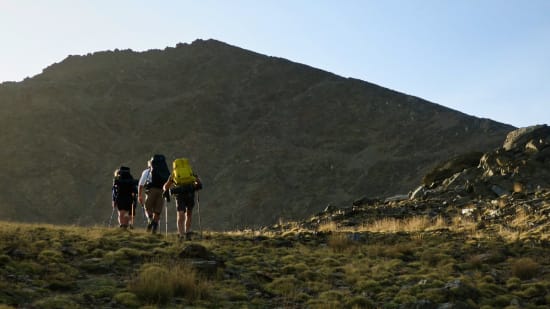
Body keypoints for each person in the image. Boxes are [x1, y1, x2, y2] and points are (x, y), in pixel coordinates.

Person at [163, 158, 202, 240]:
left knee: (180, 215)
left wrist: (166, 190)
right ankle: (187, 232)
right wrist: (195, 185)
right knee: (189, 213)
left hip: (179, 195)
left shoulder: (174, 174)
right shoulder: (190, 172)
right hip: (190, 194)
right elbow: (198, 182)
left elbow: (165, 187)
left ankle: (181, 234)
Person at [138, 155, 170, 234]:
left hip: (151, 190)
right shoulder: (164, 171)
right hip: (162, 190)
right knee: (157, 211)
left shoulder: (147, 171)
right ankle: (154, 228)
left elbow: (141, 184)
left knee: (147, 207)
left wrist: (139, 195)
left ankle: (150, 220)